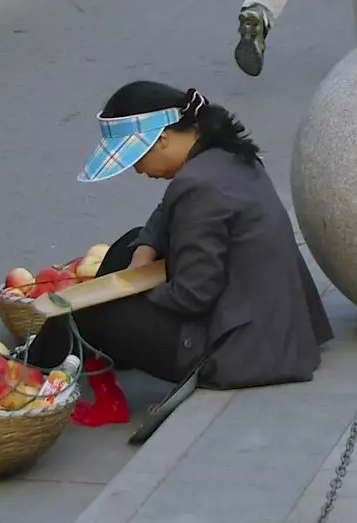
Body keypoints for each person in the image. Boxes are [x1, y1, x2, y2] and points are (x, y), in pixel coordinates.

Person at [25, 82, 332, 424]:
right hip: (275, 324)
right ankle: (60, 354)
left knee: (86, 310)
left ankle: (29, 372)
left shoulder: (197, 185)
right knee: (130, 244)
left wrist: (127, 296)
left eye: (138, 159)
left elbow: (193, 295)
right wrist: (145, 250)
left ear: (163, 139)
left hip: (241, 350)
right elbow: (166, 213)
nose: (138, 170)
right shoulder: (224, 156)